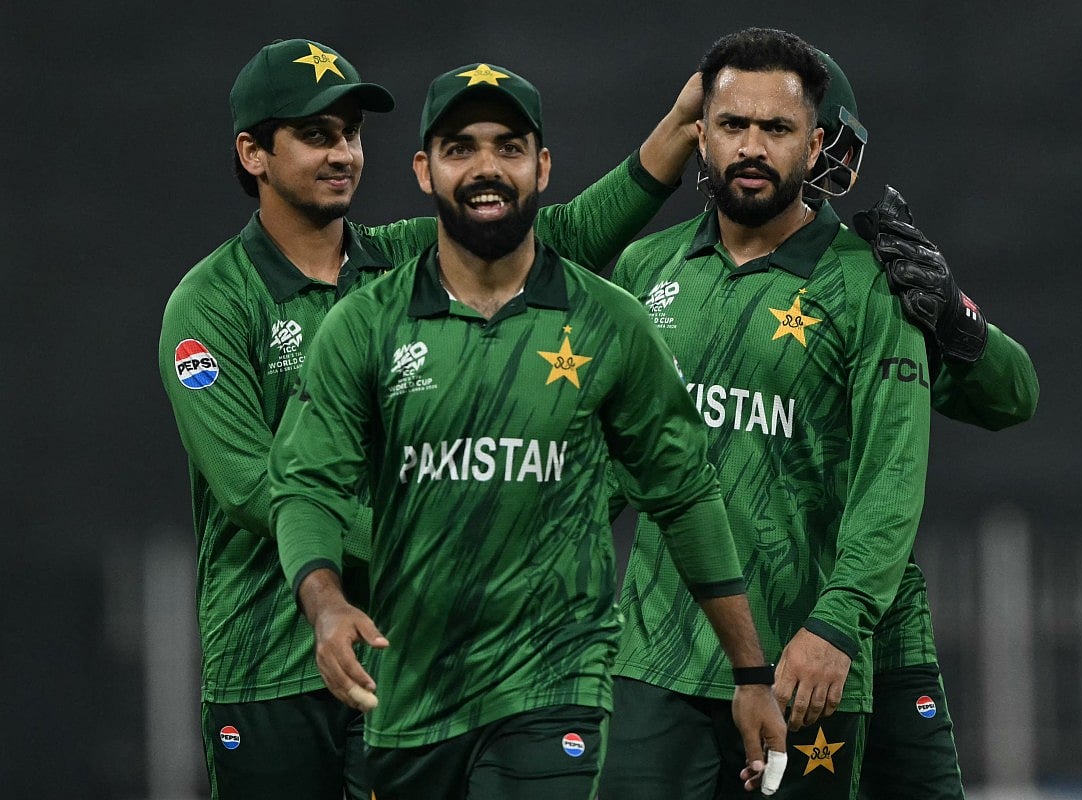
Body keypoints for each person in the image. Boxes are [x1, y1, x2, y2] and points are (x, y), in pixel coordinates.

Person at [158, 37, 708, 800]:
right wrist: (456, 528)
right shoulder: (210, 304)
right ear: (253, 152)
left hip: (402, 664)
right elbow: (256, 490)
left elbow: (570, 237)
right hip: (268, 664)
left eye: (351, 134)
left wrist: (681, 129)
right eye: (316, 135)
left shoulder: (400, 261)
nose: (344, 153)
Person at [267, 62, 787, 800]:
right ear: (423, 170)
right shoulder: (365, 325)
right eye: (461, 148)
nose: (487, 169)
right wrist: (325, 607)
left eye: (509, 147)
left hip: (554, 682)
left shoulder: (609, 321)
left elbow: (684, 494)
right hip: (411, 698)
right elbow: (305, 487)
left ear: (542, 165)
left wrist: (749, 674)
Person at [598, 27, 934, 799]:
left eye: (776, 129)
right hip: (656, 659)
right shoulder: (647, 269)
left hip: (802, 663)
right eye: (733, 126)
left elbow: (894, 472)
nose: (752, 146)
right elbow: (612, 463)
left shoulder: (872, 287)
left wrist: (837, 624)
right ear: (701, 137)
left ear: (814, 146)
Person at [807, 52, 1039, 800]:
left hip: (880, 634)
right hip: (736, 642)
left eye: (798, 130)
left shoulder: (873, 280)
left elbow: (1014, 395)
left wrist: (954, 313)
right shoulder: (669, 276)